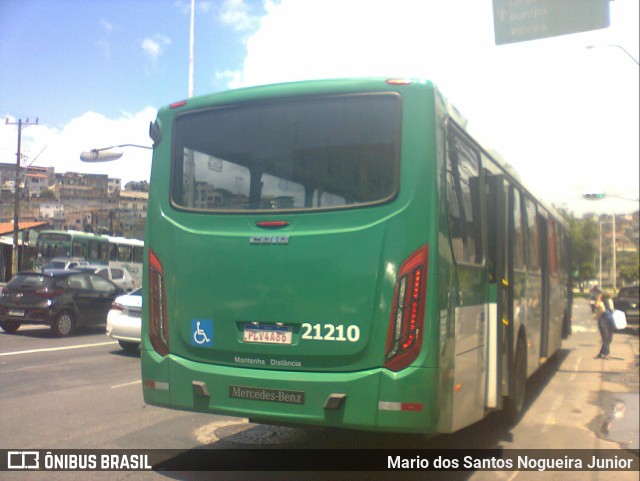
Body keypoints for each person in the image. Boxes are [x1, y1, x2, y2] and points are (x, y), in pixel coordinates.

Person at [594, 293, 615, 359]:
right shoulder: (600, 303)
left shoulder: (610, 302)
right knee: (606, 338)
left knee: (609, 338)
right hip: (603, 322)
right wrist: (599, 298)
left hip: (610, 321)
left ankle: (601, 353)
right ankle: (607, 353)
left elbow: (612, 310)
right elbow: (596, 305)